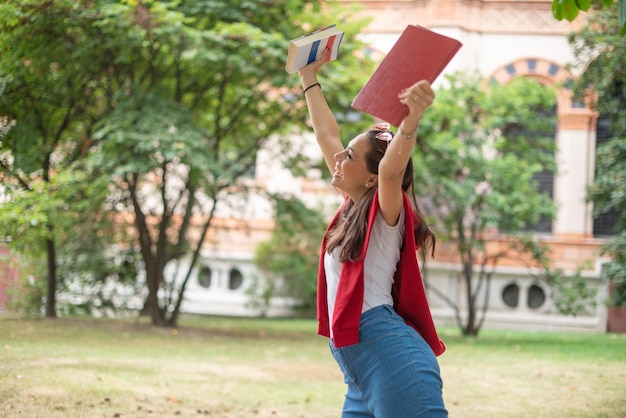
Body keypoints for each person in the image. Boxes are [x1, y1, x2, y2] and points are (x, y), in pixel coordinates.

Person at [298, 48, 447, 417]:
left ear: (370, 177)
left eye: (348, 155)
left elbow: (393, 172)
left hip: (391, 356)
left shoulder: (385, 211)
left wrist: (411, 120)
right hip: (358, 369)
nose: (337, 157)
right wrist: (307, 76)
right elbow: (325, 133)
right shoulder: (352, 208)